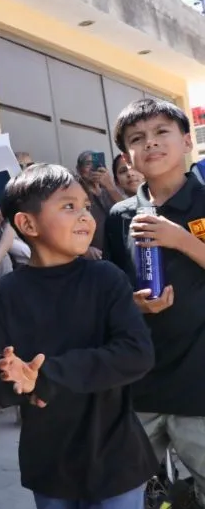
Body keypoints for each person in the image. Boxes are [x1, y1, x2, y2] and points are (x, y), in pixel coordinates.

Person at [0, 163, 156, 509]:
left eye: (86, 207)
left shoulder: (106, 279)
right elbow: (0, 381)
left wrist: (46, 375)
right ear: (27, 224)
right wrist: (13, 377)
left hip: (115, 459)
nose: (85, 217)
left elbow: (136, 353)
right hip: (51, 466)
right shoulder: (3, 295)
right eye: (68, 206)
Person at [104, 98, 205, 507]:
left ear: (187, 141)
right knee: (124, 489)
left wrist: (182, 240)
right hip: (141, 385)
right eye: (137, 138)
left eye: (162, 132)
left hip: (199, 385)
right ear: (126, 156)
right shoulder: (119, 215)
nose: (150, 143)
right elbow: (113, 291)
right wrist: (134, 304)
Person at [76, 150, 124, 259]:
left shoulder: (110, 191)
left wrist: (109, 185)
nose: (93, 168)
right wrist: (85, 249)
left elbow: (128, 211)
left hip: (118, 253)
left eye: (95, 164)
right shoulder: (77, 194)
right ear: (79, 169)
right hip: (95, 256)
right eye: (88, 164)